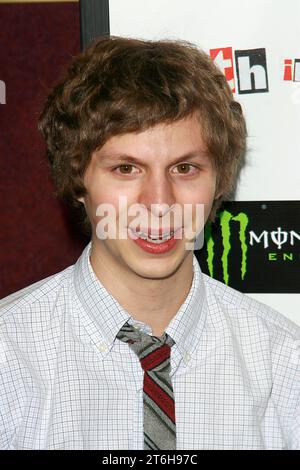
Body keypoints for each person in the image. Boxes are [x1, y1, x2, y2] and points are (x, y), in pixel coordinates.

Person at [0, 36, 299, 451]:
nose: (159, 203)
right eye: (126, 168)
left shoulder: (285, 364)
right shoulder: (8, 356)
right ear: (78, 181)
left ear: (219, 183)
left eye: (185, 168)